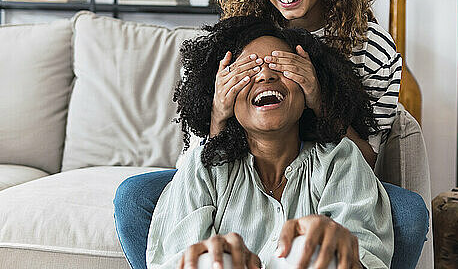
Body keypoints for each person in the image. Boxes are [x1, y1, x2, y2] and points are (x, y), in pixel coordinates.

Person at [114, 0, 428, 269]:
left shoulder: (371, 48)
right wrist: (218, 112)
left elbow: (365, 160)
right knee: (134, 197)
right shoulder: (247, 33)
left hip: (324, 168)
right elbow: (199, 159)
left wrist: (319, 99)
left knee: (407, 215)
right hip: (241, 161)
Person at [147, 16, 392, 269]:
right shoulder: (203, 166)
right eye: (248, 70)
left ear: (307, 90)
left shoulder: (341, 160)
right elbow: (178, 256)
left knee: (309, 249)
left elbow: (367, 256)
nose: (265, 75)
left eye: (281, 66)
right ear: (226, 97)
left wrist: (344, 258)